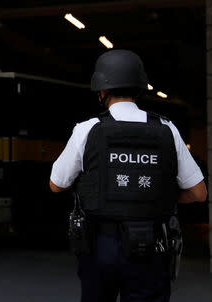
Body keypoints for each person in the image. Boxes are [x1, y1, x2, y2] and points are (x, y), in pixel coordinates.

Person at [49, 49, 207, 302]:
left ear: (101, 90)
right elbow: (199, 193)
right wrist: (157, 195)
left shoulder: (87, 130)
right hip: (151, 244)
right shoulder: (167, 130)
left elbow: (56, 185)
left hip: (99, 246)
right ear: (139, 88)